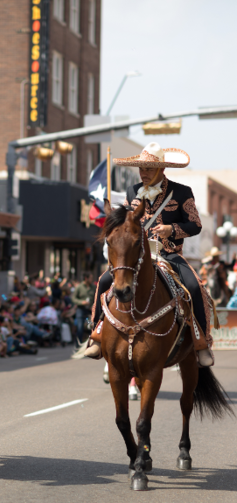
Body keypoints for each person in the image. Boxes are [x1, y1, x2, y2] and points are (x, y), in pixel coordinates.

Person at [84, 142, 214, 367]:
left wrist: (171, 230)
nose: (144, 173)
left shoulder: (182, 192)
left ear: (162, 170)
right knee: (104, 280)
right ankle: (96, 334)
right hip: (136, 256)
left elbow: (196, 225)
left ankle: (202, 342)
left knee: (194, 286)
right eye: (141, 169)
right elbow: (125, 220)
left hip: (169, 254)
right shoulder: (131, 191)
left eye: (149, 169)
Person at [71, 272, 95, 340]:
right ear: (86, 278)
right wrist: (81, 302)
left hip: (89, 311)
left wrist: (93, 306)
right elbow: (73, 298)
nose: (92, 279)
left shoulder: (93, 287)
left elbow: (96, 298)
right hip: (81, 310)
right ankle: (78, 344)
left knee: (91, 326)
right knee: (80, 328)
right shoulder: (79, 287)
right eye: (91, 278)